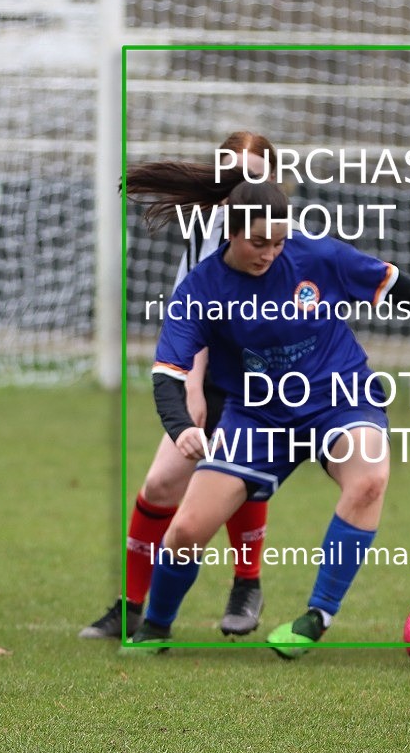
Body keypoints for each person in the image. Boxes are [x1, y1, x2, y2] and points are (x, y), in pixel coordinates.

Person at [121, 174, 410, 655]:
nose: (270, 253)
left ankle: (317, 616)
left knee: (369, 479)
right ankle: (154, 627)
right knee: (188, 530)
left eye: (278, 242)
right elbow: (167, 374)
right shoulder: (202, 288)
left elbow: (392, 281)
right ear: (230, 233)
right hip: (257, 417)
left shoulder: (314, 255)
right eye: (258, 242)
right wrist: (181, 430)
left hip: (340, 396)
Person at [80, 132, 276, 640]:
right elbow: (196, 309)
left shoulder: (281, 236)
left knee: (239, 474)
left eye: (251, 174)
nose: (240, 184)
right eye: (231, 174)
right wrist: (192, 383)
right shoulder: (208, 227)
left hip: (264, 378)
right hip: (211, 373)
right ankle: (131, 607)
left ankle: (246, 585)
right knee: (161, 485)